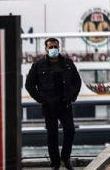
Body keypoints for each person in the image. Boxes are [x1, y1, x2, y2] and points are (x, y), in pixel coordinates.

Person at [25, 37, 83, 170]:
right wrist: (41, 99)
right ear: (46, 49)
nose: (53, 49)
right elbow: (29, 84)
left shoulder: (67, 63)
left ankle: (65, 158)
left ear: (59, 47)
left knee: (70, 130)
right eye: (50, 47)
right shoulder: (38, 65)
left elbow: (77, 81)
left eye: (55, 47)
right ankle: (55, 164)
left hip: (65, 104)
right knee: (52, 135)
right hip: (49, 105)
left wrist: (72, 96)